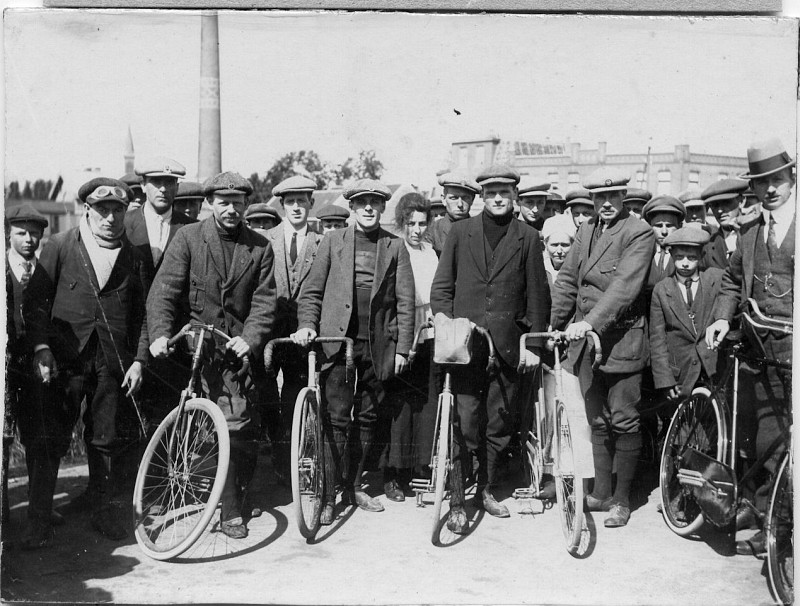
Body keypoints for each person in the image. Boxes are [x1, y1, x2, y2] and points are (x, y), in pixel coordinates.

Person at [147, 171, 277, 540]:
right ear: (210, 204)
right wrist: (159, 335)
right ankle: (198, 491)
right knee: (198, 424)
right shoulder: (188, 238)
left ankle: (231, 508)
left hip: (235, 350)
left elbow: (264, 303)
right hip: (194, 348)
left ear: (246, 205)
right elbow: (164, 292)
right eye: (224, 203)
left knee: (237, 423)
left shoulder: (259, 247)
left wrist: (249, 338)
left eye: (238, 203)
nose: (232, 209)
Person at [25, 178, 150, 541]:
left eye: (117, 210)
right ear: (87, 210)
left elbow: (143, 315)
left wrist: (139, 359)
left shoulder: (134, 255)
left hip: (112, 364)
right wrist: (40, 348)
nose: (110, 218)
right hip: (65, 358)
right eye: (102, 210)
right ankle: (38, 522)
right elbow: (36, 303)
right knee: (51, 436)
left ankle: (103, 512)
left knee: (105, 438)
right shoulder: (61, 246)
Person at [430, 163, 550, 534]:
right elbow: (442, 286)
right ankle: (455, 499)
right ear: (482, 196)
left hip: (509, 348)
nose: (498, 199)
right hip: (465, 347)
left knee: (498, 425)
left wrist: (531, 343)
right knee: (464, 423)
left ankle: (485, 490)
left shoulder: (528, 237)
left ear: (514, 195)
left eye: (505, 193)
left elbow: (538, 298)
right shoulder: (460, 232)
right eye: (491, 193)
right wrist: (442, 321)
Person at [292, 178, 415, 525]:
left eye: (375, 203)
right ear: (352, 206)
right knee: (336, 419)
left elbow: (405, 301)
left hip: (378, 345)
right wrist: (307, 325)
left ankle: (354, 487)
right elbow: (312, 291)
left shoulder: (395, 246)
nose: (368, 208)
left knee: (369, 417)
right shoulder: (333, 240)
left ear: (382, 207)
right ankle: (329, 494)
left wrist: (403, 347)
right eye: (362, 202)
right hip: (337, 342)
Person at [550, 168, 655, 528]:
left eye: (612, 197)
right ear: (592, 200)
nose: (606, 203)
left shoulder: (638, 232)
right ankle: (601, 492)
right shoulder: (586, 230)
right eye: (598, 198)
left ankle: (622, 500)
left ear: (624, 196)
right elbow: (566, 278)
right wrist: (554, 323)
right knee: (597, 419)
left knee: (623, 419)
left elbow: (624, 288)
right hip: (585, 342)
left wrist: (589, 322)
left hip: (621, 340)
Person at [705, 138, 795, 557]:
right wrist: (723, 317)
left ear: (791, 177)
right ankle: (771, 523)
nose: (771, 189)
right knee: (766, 441)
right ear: (753, 190)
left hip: (794, 350)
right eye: (763, 183)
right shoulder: (751, 232)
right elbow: (731, 281)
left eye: (777, 179)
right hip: (761, 350)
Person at [5, 204, 67, 548]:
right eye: (21, 233)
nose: (29, 240)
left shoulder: (44, 272)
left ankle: (39, 518)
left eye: (35, 233)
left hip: (35, 370)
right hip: (5, 369)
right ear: (8, 234)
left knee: (40, 440)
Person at [377, 192, 438, 501]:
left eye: (422, 224)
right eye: (411, 223)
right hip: (402, 333)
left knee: (424, 402)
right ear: (401, 223)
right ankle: (393, 474)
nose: (416, 230)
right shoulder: (393, 247)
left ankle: (418, 467)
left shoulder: (430, 251)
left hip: (428, 333)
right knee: (398, 406)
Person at [261, 175, 324, 478]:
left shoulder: (323, 243)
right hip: (270, 332)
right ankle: (275, 457)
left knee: (296, 397)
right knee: (267, 396)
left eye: (302, 201)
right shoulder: (265, 240)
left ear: (311, 203)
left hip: (305, 335)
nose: (297, 207)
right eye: (290, 202)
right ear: (282, 205)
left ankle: (294, 464)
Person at [649, 227, 723, 403]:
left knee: (716, 422)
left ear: (702, 255)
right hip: (680, 376)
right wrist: (665, 380)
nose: (684, 263)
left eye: (691, 258)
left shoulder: (716, 279)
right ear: (671, 254)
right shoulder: (661, 289)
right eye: (679, 257)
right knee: (684, 425)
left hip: (713, 370)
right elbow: (657, 339)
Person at [425, 171, 480, 256]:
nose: (460, 204)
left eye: (465, 198)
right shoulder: (432, 231)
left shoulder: (480, 229)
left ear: (472, 200)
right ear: (443, 199)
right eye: (454, 198)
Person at [642, 195, 685, 298]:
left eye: (669, 226)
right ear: (649, 226)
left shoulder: (685, 255)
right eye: (658, 226)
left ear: (679, 226)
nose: (664, 232)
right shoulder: (642, 251)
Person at [701, 178, 749, 269]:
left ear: (741, 202)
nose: (719, 210)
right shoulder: (707, 246)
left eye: (726, 202)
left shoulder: (757, 235)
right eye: (715, 205)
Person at [540, 213, 576, 290]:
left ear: (573, 244)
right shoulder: (539, 268)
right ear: (545, 244)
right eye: (554, 245)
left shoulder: (577, 271)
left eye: (564, 245)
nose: (559, 251)